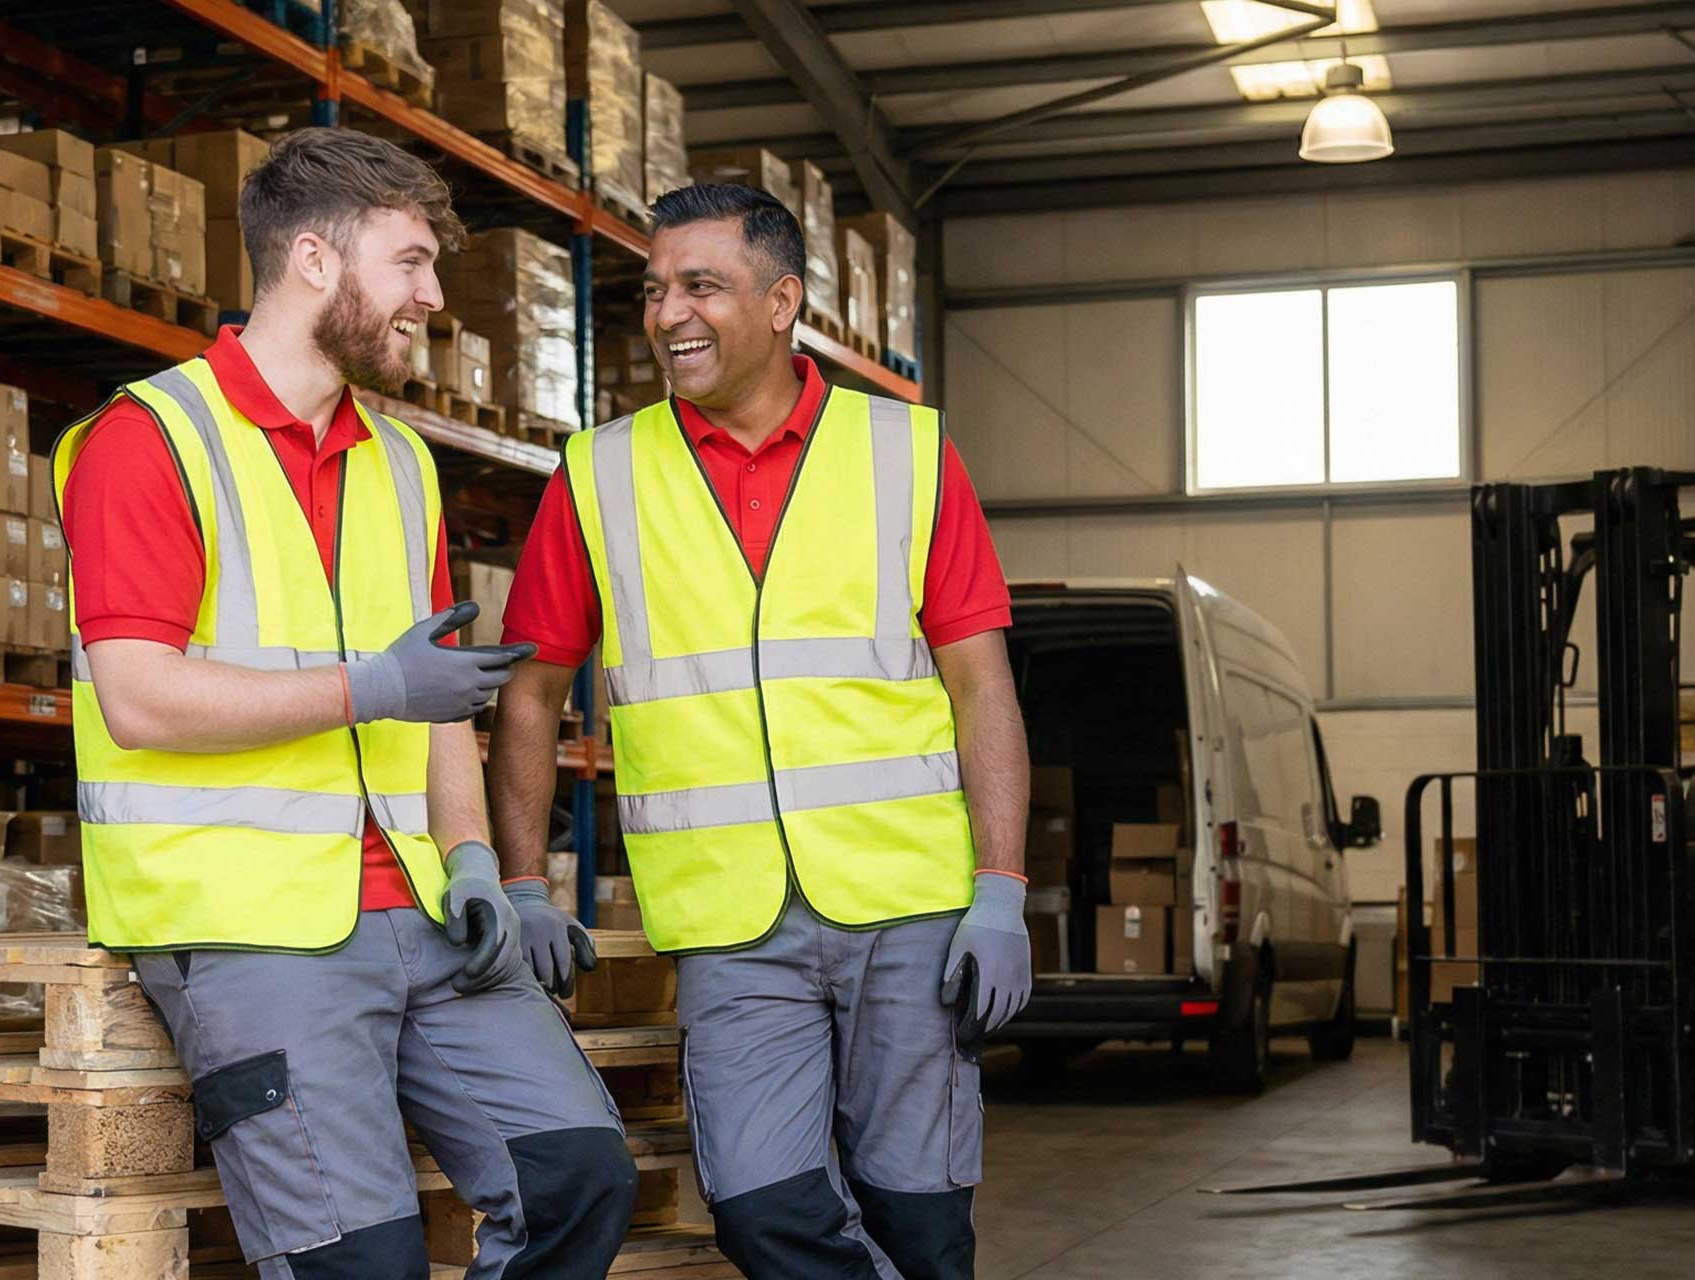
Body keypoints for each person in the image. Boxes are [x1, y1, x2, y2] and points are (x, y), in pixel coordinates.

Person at [52, 127, 636, 1280]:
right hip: (247, 924)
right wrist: (366, 687)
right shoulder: (149, 440)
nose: (433, 297)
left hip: (424, 912)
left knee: (577, 1177)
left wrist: (474, 860)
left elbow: (437, 701)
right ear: (314, 259)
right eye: (410, 262)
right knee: (355, 1262)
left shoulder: (401, 461)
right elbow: (139, 697)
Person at [488, 182, 1032, 1279]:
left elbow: (982, 684)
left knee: (919, 1214)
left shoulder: (909, 452)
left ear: (782, 300)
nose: (668, 312)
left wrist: (1002, 887)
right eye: (654, 289)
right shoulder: (600, 473)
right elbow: (530, 693)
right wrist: (519, 881)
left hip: (908, 906)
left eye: (703, 285)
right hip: (730, 918)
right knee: (759, 1205)